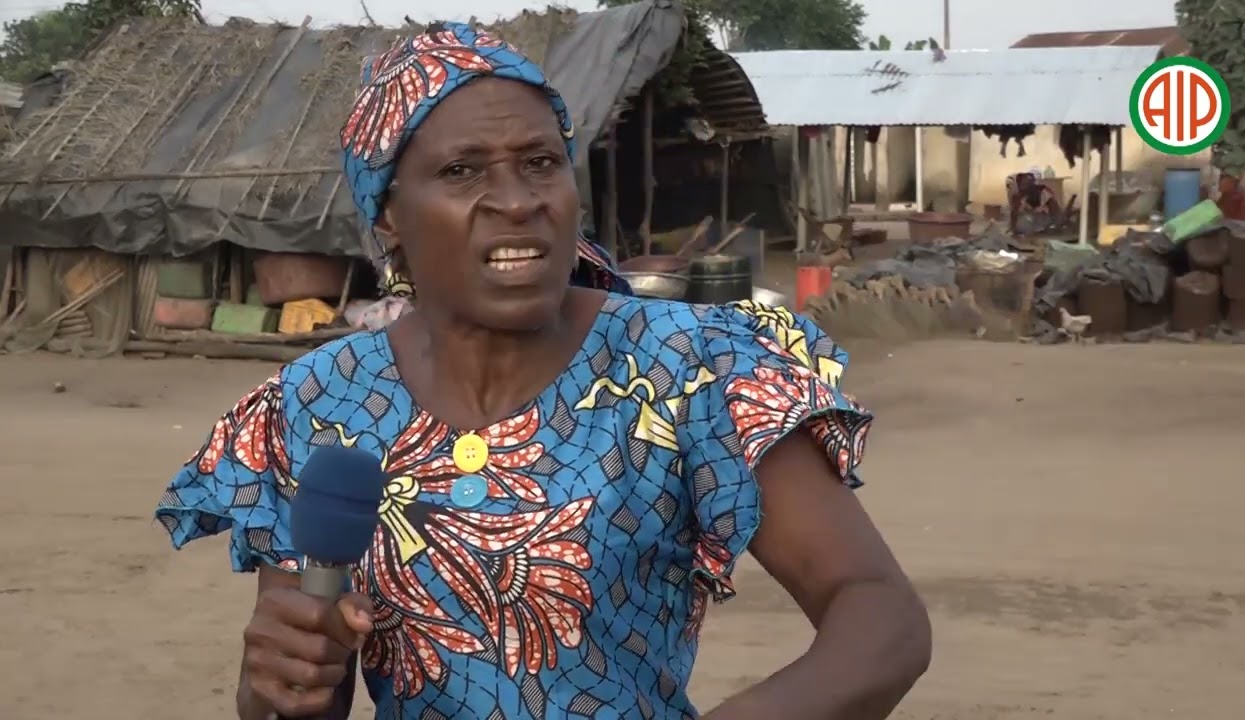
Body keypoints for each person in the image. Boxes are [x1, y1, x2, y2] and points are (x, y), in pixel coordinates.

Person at [155, 22, 930, 719]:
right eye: (461, 172)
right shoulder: (317, 403)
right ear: (389, 215)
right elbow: (302, 695)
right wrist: (275, 684)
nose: (517, 200)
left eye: (540, 163)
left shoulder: (689, 370)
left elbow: (880, 614)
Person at [1005, 170, 1062, 234]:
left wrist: (1058, 225)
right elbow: (1014, 214)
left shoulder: (1043, 192)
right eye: (1023, 184)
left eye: (1028, 183)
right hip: (1028, 224)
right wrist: (1013, 229)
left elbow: (1054, 207)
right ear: (1019, 185)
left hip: (1043, 222)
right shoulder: (1017, 197)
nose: (1026, 186)